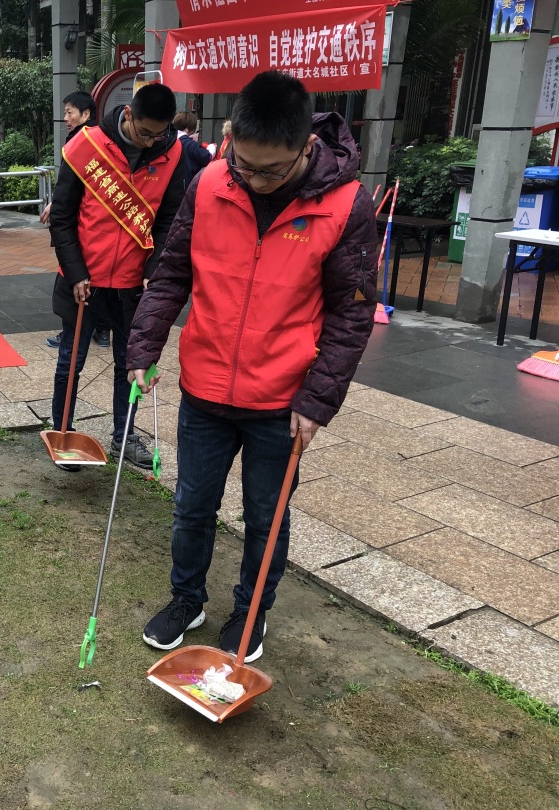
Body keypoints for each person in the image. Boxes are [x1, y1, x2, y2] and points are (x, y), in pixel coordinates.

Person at [128, 70, 377, 660]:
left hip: (280, 400)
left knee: (266, 518)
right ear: (231, 134)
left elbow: (353, 312)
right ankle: (187, 598)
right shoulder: (211, 182)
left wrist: (317, 402)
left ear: (306, 147)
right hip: (205, 388)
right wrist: (144, 348)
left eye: (273, 170)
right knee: (192, 506)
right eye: (247, 165)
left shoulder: (346, 204)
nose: (256, 180)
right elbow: (171, 273)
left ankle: (249, 613)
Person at [49, 82, 186, 471]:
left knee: (131, 362)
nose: (150, 142)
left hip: (132, 282)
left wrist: (153, 270)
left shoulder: (171, 153)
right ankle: (63, 433)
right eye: (144, 132)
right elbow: (62, 216)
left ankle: (124, 434)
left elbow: (170, 221)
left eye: (158, 134)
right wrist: (75, 270)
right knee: (70, 362)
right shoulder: (86, 145)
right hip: (83, 281)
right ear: (128, 114)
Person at [43, 91, 110, 351]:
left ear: (86, 114)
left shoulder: (88, 143)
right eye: (65, 112)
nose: (66, 118)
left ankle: (77, 333)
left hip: (86, 229)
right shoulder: (88, 138)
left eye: (70, 112)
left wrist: (61, 206)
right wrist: (57, 202)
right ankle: (99, 332)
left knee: (79, 278)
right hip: (88, 227)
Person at [173, 111, 211, 189]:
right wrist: (211, 148)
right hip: (186, 185)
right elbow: (206, 157)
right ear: (187, 129)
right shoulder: (190, 144)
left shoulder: (170, 141)